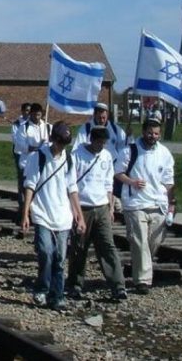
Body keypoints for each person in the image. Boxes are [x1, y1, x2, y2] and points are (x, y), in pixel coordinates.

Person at [21, 121, 84, 311]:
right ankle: (41, 288)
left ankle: (57, 296)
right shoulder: (38, 157)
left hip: (63, 215)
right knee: (46, 252)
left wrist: (79, 216)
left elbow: (72, 189)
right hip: (41, 212)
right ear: (52, 139)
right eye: (59, 141)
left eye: (65, 143)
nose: (61, 146)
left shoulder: (69, 159)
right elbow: (30, 186)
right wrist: (25, 214)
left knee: (59, 258)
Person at [114, 113, 175, 294]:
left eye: (156, 134)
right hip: (135, 203)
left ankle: (138, 266)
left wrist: (172, 202)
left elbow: (169, 181)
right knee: (139, 242)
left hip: (158, 203)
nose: (152, 137)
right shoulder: (129, 151)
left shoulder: (164, 153)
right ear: (143, 132)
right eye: (150, 133)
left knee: (153, 242)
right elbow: (118, 173)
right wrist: (131, 182)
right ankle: (143, 281)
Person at [68, 126, 126, 301]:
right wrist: (75, 212)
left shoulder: (107, 156)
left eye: (104, 143)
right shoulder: (76, 155)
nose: (101, 145)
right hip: (83, 207)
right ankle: (75, 284)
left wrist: (110, 207)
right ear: (91, 140)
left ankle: (118, 286)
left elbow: (109, 184)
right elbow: (71, 185)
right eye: (99, 142)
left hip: (101, 207)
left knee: (107, 246)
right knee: (79, 248)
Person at [15, 103, 52, 224]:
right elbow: (20, 145)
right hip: (26, 164)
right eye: (35, 114)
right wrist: (36, 147)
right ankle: (24, 215)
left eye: (39, 115)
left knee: (39, 191)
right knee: (25, 190)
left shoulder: (47, 127)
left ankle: (38, 216)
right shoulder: (24, 127)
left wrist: (44, 145)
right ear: (30, 114)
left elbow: (51, 144)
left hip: (42, 165)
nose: (37, 117)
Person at [11, 103, 31, 215]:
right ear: (23, 111)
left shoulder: (32, 124)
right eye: (27, 110)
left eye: (30, 110)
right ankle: (22, 203)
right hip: (20, 154)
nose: (28, 113)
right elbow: (15, 140)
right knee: (22, 179)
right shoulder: (17, 124)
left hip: (31, 155)